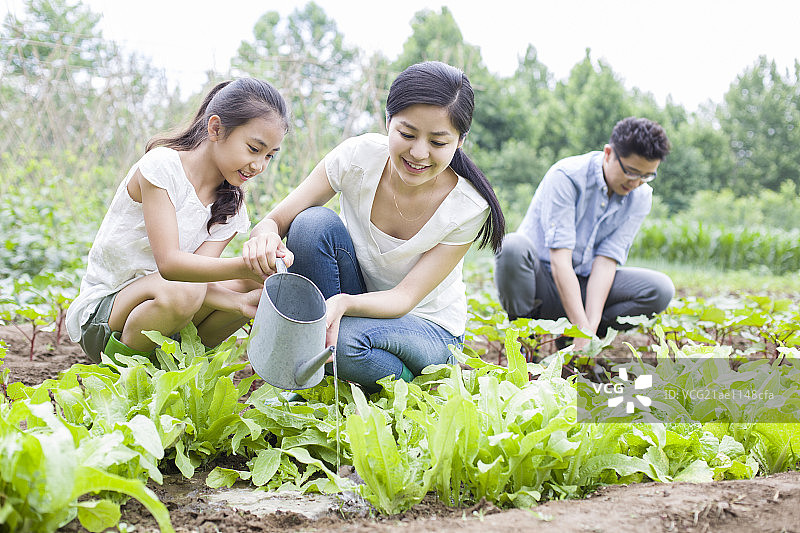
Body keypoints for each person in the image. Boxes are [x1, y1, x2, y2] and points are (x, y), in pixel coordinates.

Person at [243, 61, 505, 393]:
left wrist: (343, 305)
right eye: (407, 134)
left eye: (438, 142)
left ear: (460, 141)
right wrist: (263, 235)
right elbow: (275, 220)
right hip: (358, 299)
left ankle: (407, 387)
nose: (419, 153)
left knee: (345, 344)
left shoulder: (467, 207)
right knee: (310, 224)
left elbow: (404, 297)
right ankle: (326, 360)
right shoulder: (358, 158)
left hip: (425, 325)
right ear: (388, 122)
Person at [66, 78, 290, 363]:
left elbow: (199, 282)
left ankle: (173, 368)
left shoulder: (230, 207)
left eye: (269, 156)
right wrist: (246, 267)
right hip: (107, 315)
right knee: (187, 288)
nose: (259, 165)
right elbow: (171, 266)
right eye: (253, 149)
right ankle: (120, 375)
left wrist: (240, 301)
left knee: (257, 287)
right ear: (216, 128)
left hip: (172, 304)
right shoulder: (163, 167)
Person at [494, 116, 675, 350]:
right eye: (631, 172)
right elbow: (560, 261)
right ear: (609, 153)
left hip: (585, 285)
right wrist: (581, 326)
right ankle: (526, 341)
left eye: (646, 175)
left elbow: (606, 262)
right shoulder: (567, 176)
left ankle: (574, 342)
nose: (636, 183)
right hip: (542, 283)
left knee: (659, 289)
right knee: (511, 247)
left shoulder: (641, 196)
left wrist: (587, 329)